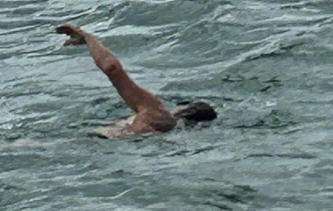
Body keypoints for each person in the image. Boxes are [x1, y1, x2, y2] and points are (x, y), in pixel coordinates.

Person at [56, 24, 217, 138]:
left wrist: (88, 38)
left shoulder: (157, 112)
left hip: (94, 141)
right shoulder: (164, 130)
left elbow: (113, 69)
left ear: (184, 108)